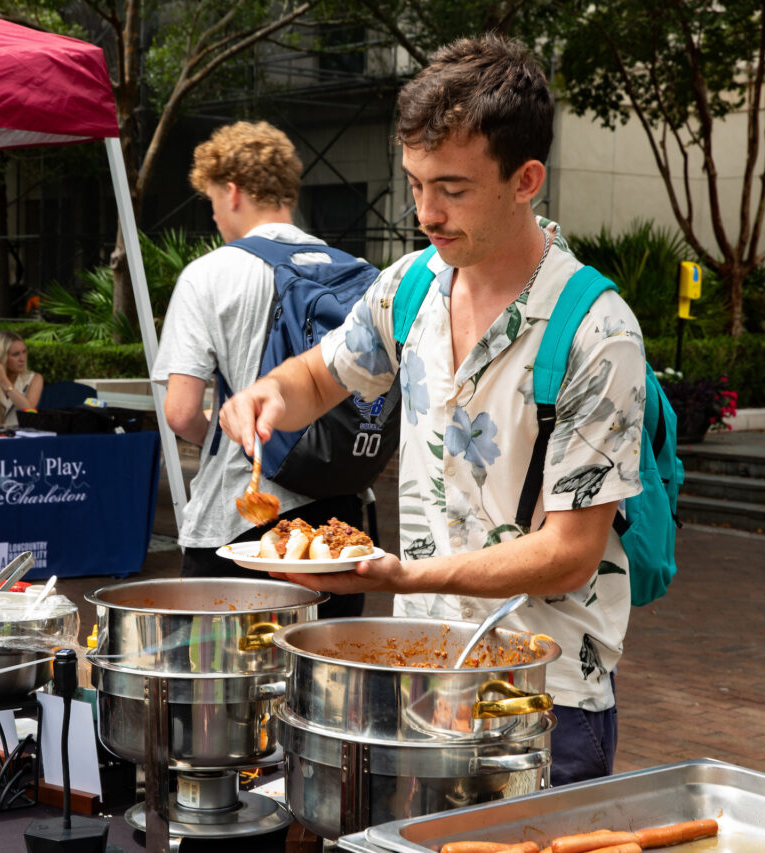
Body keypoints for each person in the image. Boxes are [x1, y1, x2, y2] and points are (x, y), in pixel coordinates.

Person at [218, 36, 645, 786]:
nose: (426, 213)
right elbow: (320, 378)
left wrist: (406, 576)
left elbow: (571, 550)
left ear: (527, 180)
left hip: (541, 696)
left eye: (452, 188)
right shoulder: (408, 286)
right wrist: (270, 396)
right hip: (418, 675)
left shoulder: (596, 330)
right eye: (415, 184)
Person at [152, 120, 366, 620]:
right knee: (326, 685)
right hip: (341, 520)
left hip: (240, 519)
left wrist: (234, 433)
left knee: (223, 689)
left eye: (210, 202)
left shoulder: (209, 274)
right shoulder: (351, 267)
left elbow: (181, 412)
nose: (215, 216)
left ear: (231, 192)